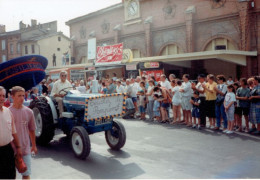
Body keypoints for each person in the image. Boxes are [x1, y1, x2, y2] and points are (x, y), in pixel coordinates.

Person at [9, 86, 37, 179]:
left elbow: (32, 129)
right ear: (12, 96)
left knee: (26, 174)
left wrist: (33, 145)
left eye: (23, 95)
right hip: (9, 149)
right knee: (9, 175)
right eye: (19, 96)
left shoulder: (29, 112)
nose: (22, 98)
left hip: (25, 149)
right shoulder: (7, 112)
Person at [0, 86, 22, 179]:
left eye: (3, 96)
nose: (1, 98)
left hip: (7, 150)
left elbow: (14, 132)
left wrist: (18, 148)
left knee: (10, 176)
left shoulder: (7, 111)